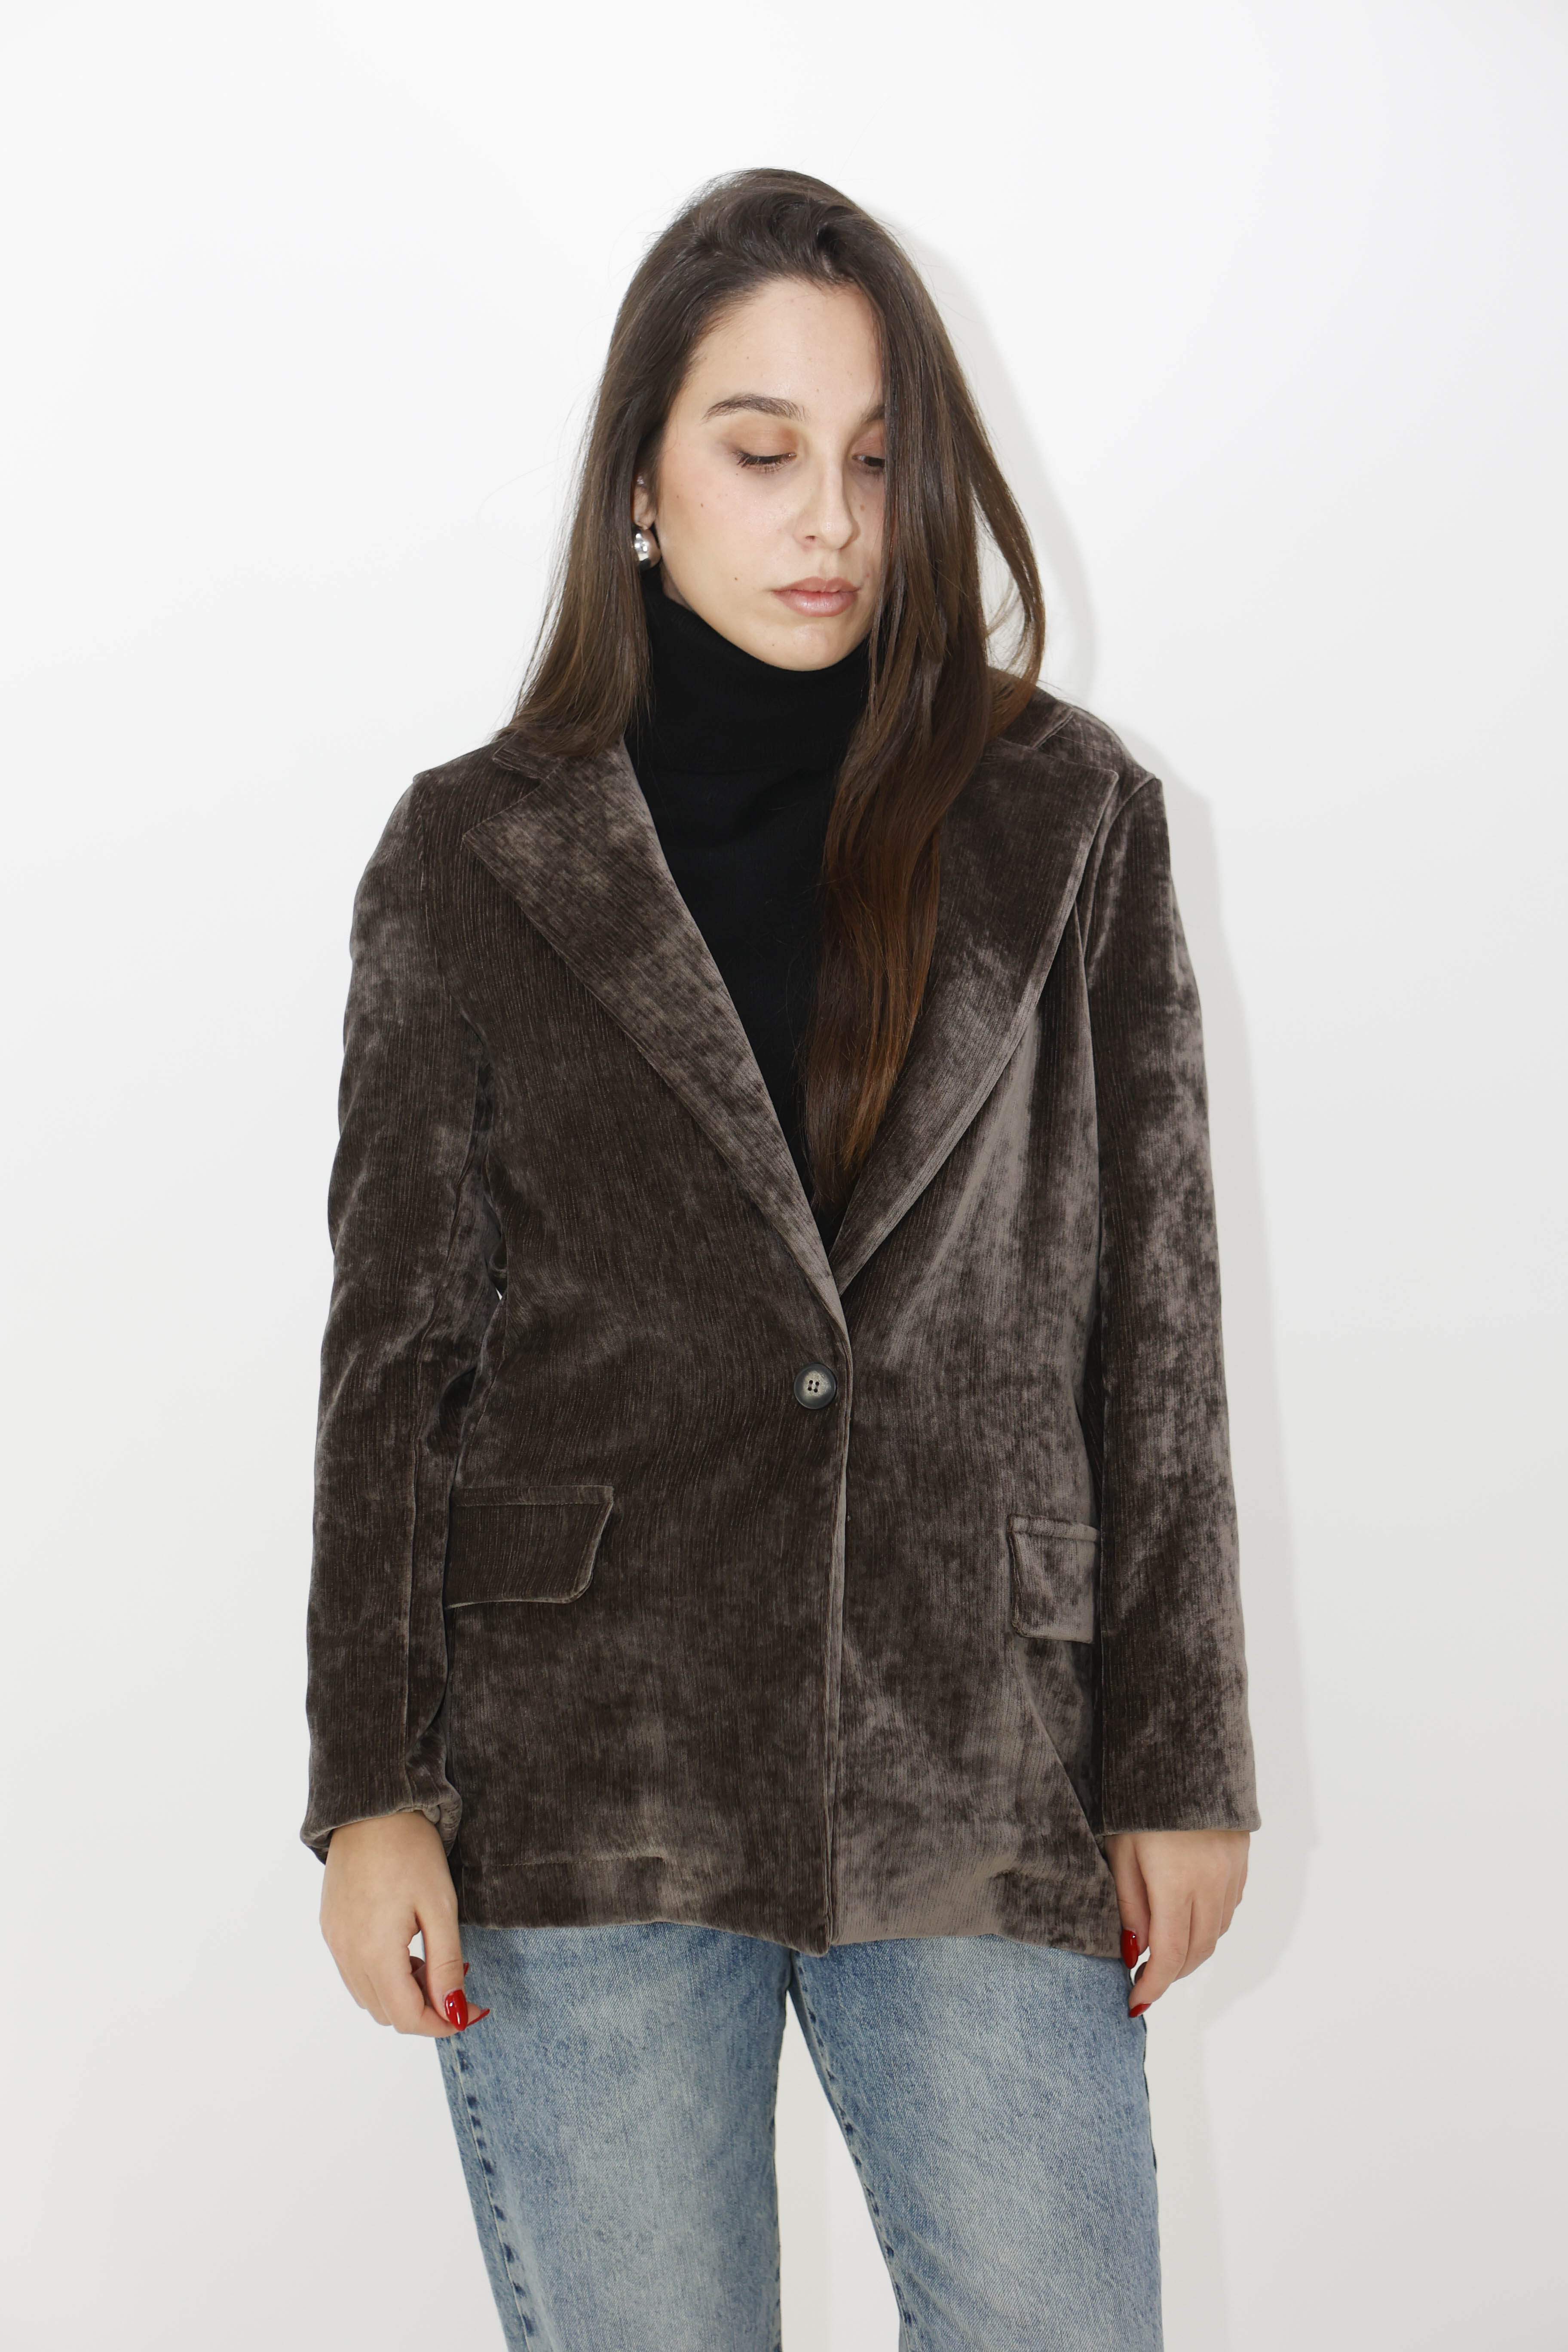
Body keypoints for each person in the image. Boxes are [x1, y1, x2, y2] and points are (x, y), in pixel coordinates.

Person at [303, 167, 1258, 2351]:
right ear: (642, 483)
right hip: (589, 1773)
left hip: (975, 1746)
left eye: (879, 460)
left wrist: (1181, 1760)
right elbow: (396, 1351)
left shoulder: (1069, 820)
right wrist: (371, 1790)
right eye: (762, 452)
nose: (831, 517)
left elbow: (1158, 1324)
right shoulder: (477, 852)